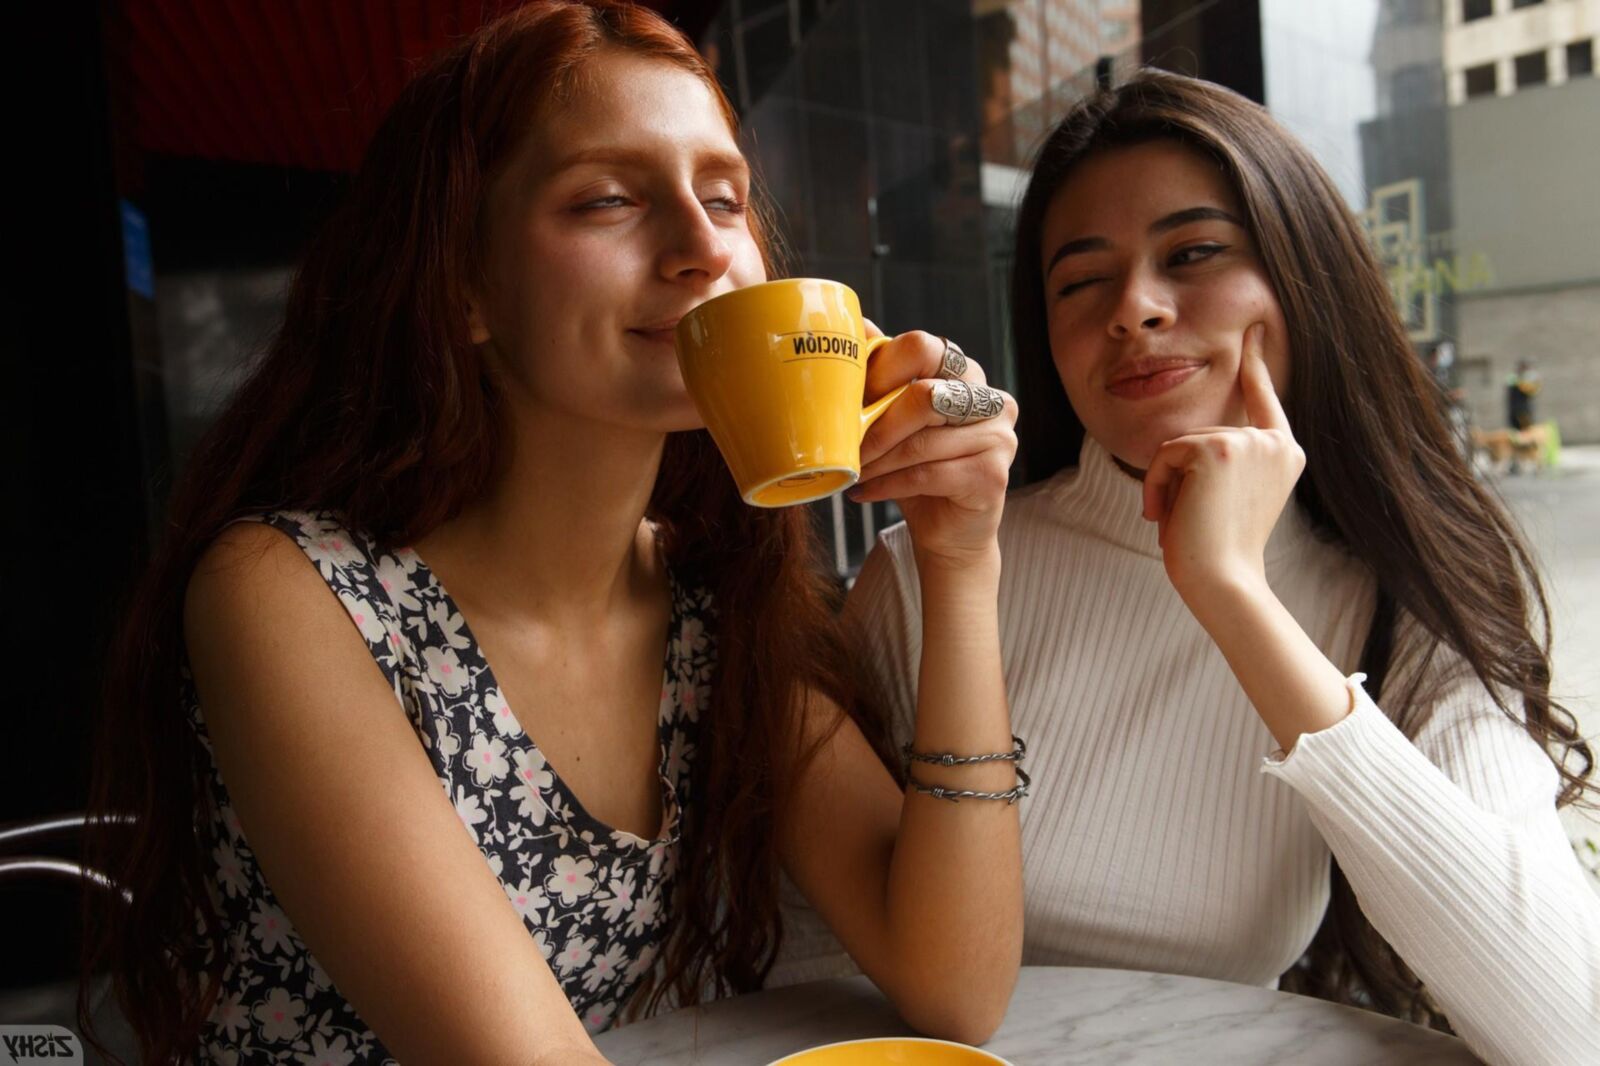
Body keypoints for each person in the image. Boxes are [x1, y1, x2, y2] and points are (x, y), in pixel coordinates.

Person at [80, 4, 1024, 1063]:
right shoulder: (287, 591)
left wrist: (958, 559)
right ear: (467, 285)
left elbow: (957, 983)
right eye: (608, 199)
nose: (704, 243)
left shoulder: (708, 611)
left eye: (723, 196)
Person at [839, 71, 1599, 1066]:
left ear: (1301, 278)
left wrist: (1232, 591)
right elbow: (810, 943)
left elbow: (1567, 1031)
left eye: (1192, 253)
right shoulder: (926, 569)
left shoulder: (1405, 594)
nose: (1135, 309)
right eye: (1080, 280)